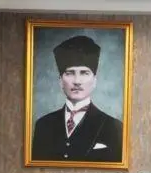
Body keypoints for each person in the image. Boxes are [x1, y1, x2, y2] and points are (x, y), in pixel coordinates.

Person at [30, 34, 124, 164]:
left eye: (84, 73)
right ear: (60, 81)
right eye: (70, 73)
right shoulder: (43, 125)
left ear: (94, 81)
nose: (77, 81)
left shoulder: (113, 127)